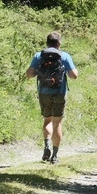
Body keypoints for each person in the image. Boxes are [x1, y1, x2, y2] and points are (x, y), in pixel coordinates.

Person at [25, 31, 78, 164]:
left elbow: (29, 74)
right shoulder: (64, 56)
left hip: (44, 92)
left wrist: (40, 71)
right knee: (57, 123)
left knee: (47, 120)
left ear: (47, 43)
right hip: (60, 92)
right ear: (59, 43)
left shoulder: (39, 55)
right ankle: (54, 155)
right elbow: (74, 75)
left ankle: (46, 146)